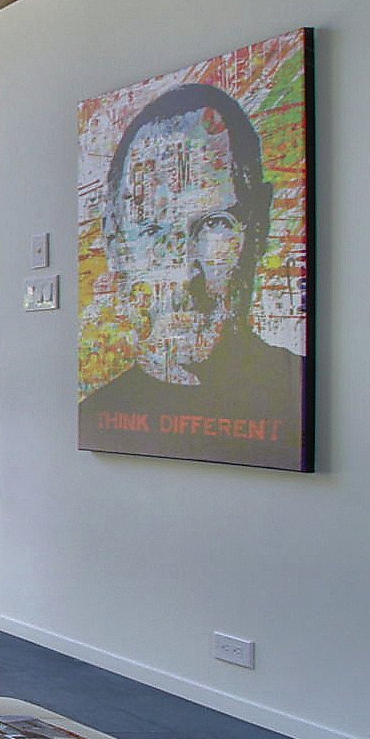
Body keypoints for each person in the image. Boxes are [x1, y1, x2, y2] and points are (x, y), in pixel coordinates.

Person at [78, 81, 308, 470]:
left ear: (258, 225)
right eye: (151, 230)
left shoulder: (297, 393)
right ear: (115, 246)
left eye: (214, 224)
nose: (185, 272)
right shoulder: (91, 418)